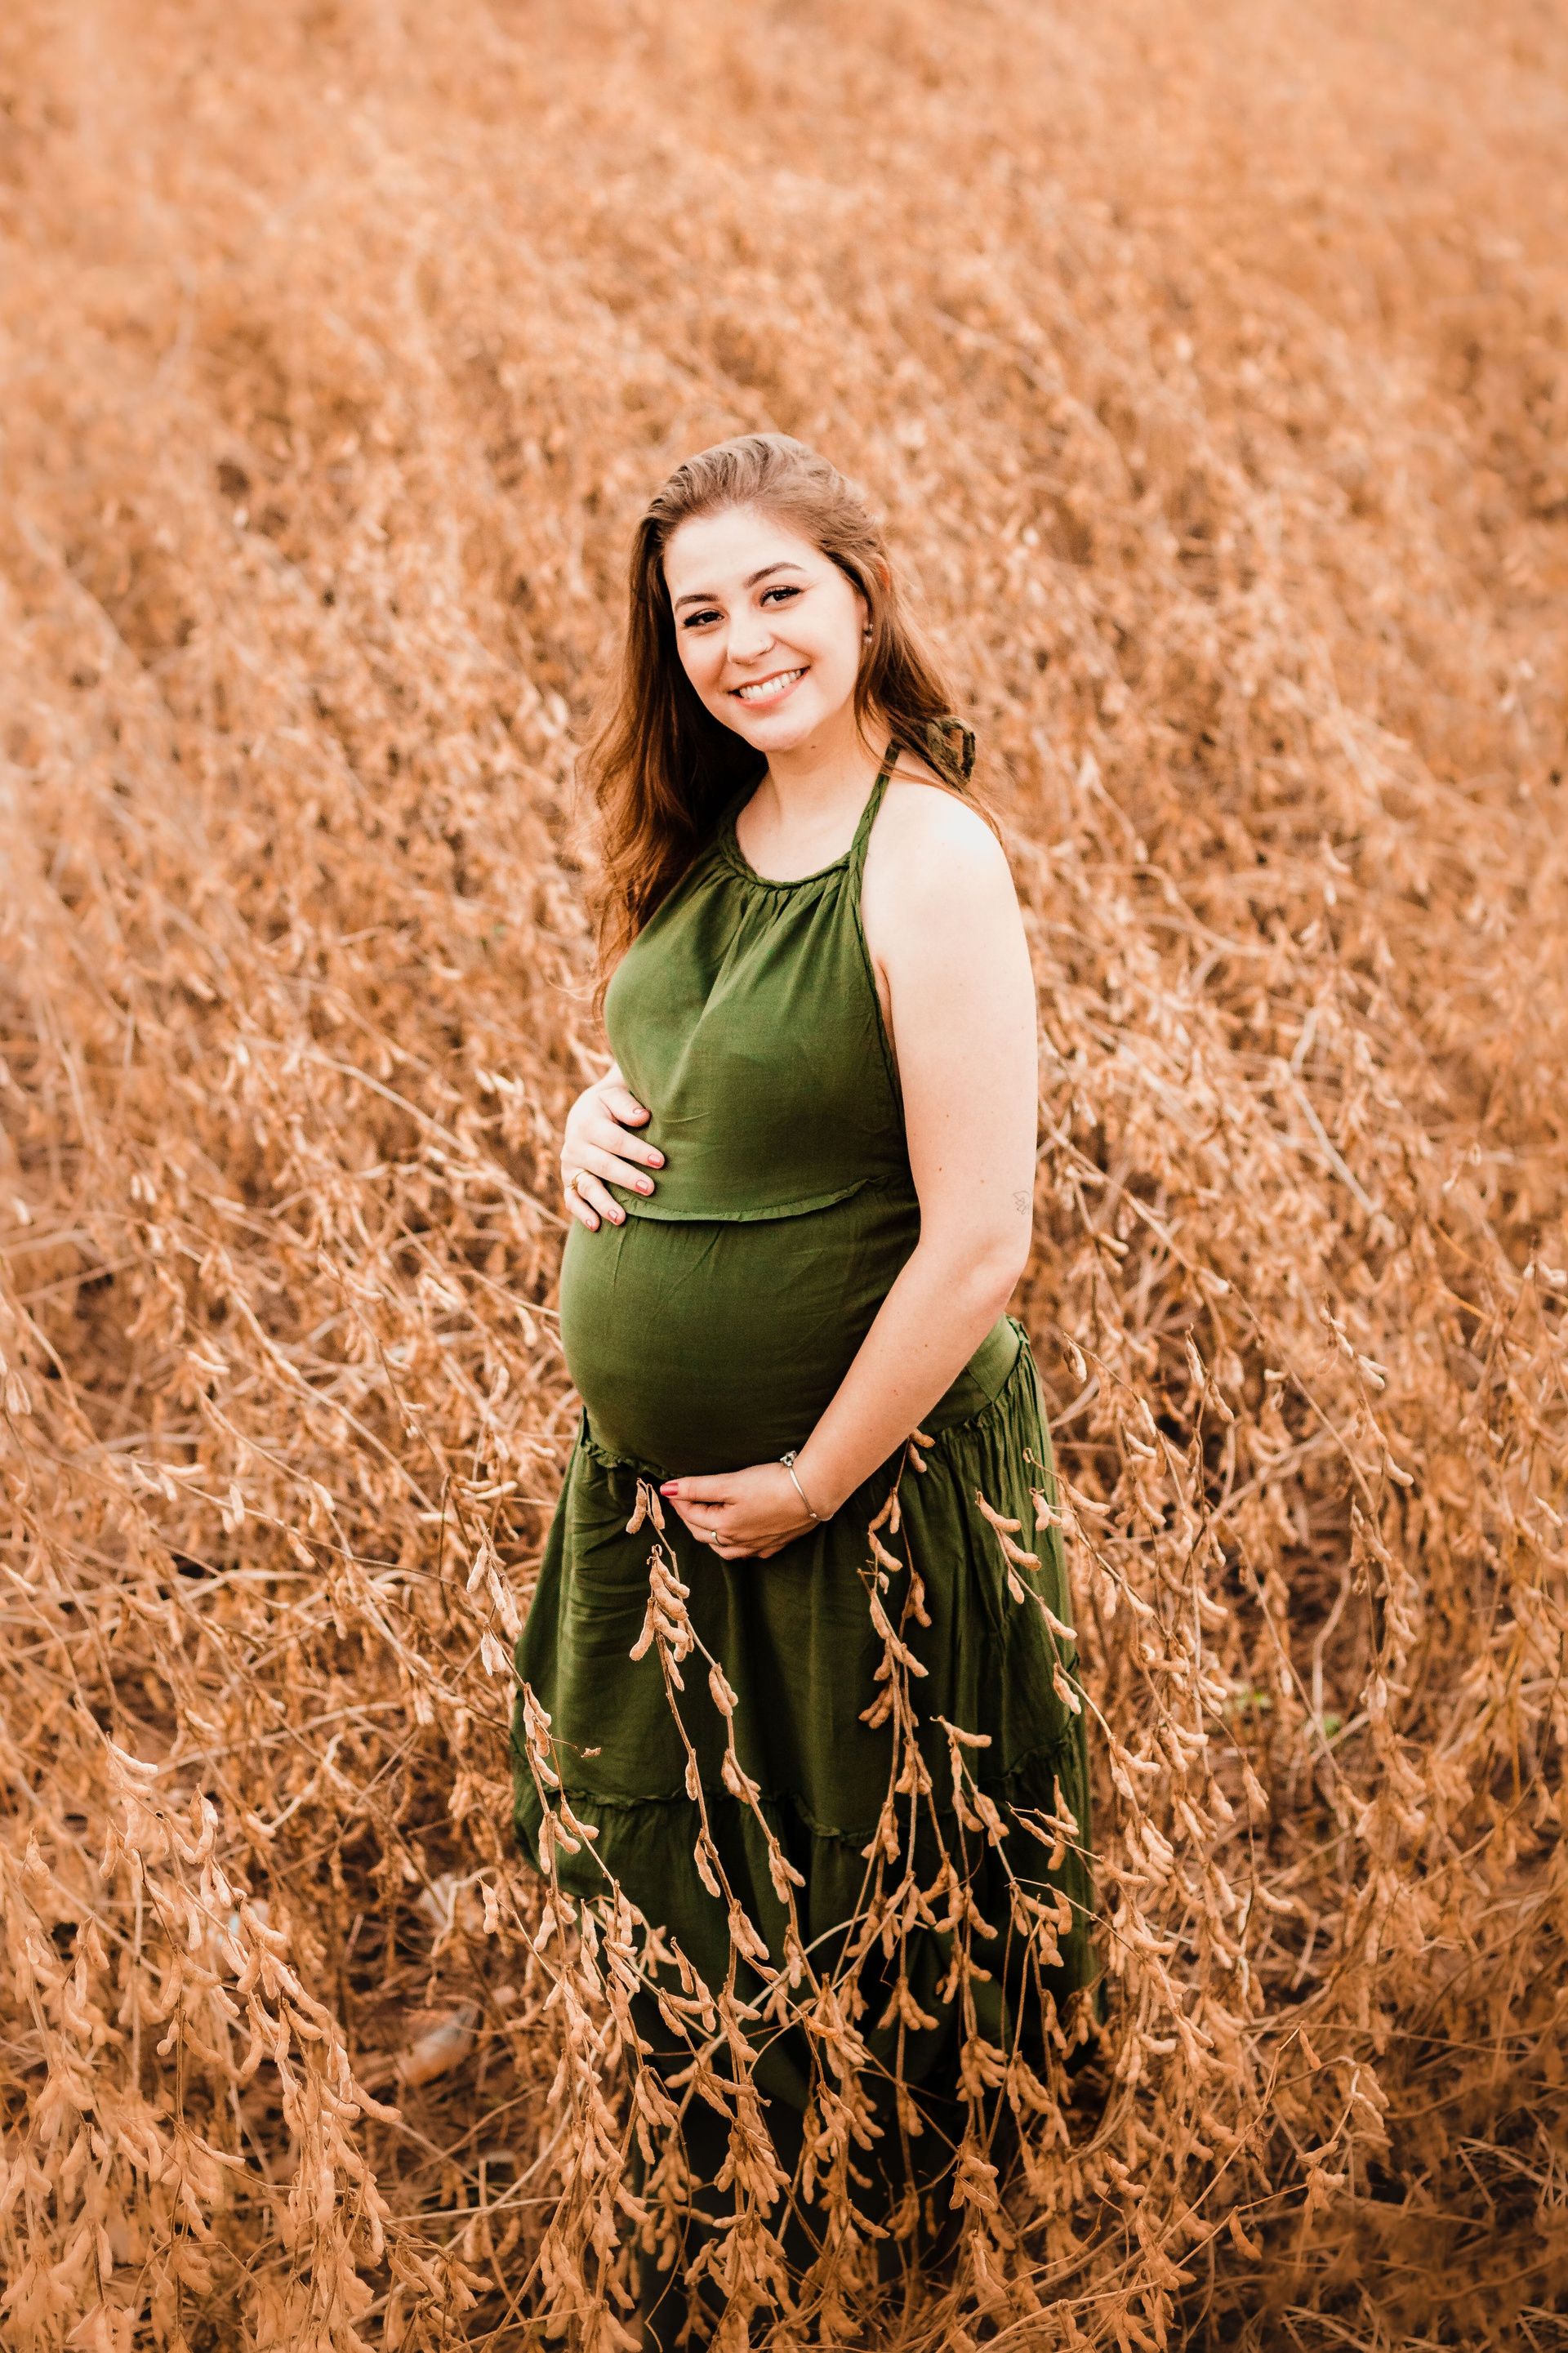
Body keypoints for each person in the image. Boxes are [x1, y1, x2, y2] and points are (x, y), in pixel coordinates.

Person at [511, 434, 1095, 2344]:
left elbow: (981, 1241)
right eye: (701, 614)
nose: (743, 641)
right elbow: (707, 1057)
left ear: (861, 596)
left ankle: (924, 2280)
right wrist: (585, 1112)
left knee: (886, 1899)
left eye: (779, 592)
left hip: (864, 1498)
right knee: (703, 1897)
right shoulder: (710, 824)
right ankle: (743, 2236)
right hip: (672, 1505)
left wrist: (815, 1480)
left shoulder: (926, 858)